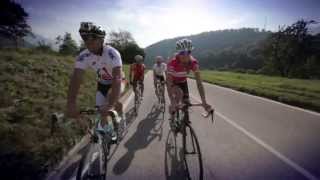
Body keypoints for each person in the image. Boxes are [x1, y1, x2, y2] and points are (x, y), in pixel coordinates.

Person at [66, 22, 124, 140]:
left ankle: (120, 119)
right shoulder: (84, 56)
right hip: (102, 84)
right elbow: (76, 78)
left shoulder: (112, 53)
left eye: (92, 38)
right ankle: (107, 134)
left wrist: (110, 103)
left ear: (101, 40)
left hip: (117, 81)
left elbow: (117, 79)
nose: (88, 42)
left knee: (111, 103)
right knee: (101, 111)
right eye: (85, 38)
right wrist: (71, 103)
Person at [166, 38, 212, 117]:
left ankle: (184, 121)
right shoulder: (172, 62)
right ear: (178, 53)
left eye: (188, 52)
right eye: (182, 52)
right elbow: (169, 82)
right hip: (173, 82)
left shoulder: (193, 63)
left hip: (183, 81)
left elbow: (199, 84)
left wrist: (204, 102)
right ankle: (172, 116)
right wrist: (172, 100)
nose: (186, 55)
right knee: (179, 94)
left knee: (186, 102)